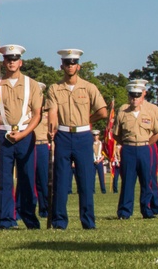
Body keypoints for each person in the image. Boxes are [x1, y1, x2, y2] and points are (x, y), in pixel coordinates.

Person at [46, 48, 108, 230]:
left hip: (83, 135)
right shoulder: (55, 88)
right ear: (62, 66)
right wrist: (52, 129)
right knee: (61, 181)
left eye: (73, 63)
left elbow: (103, 111)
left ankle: (88, 222)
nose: (70, 66)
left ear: (78, 66)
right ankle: (59, 222)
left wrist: (88, 120)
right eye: (67, 63)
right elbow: (52, 111)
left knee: (86, 181)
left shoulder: (89, 87)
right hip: (63, 135)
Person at [0, 44, 42, 230]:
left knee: (27, 179)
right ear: (3, 62)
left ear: (20, 62)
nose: (11, 62)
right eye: (8, 59)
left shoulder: (32, 84)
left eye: (15, 59)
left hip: (25, 135)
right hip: (3, 134)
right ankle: (5, 219)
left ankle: (30, 218)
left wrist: (23, 134)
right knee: (4, 180)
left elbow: (37, 114)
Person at [114, 82, 158, 219]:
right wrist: (126, 144)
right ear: (129, 97)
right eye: (132, 96)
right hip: (128, 148)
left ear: (142, 97)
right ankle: (124, 212)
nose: (135, 99)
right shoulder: (122, 113)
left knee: (146, 181)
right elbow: (116, 134)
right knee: (128, 181)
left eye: (137, 96)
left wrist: (147, 143)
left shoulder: (149, 113)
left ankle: (147, 210)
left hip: (144, 148)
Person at [130, 79, 158, 215]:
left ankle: (155, 205)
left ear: (145, 92)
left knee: (151, 176)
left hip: (149, 144)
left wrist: (149, 142)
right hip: (133, 145)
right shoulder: (128, 108)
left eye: (140, 91)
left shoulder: (152, 108)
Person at [33, 82, 51, 219]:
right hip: (28, 145)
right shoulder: (28, 110)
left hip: (42, 145)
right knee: (26, 179)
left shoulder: (47, 112)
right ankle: (23, 208)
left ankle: (45, 208)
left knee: (43, 179)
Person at [92, 130, 107, 194]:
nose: (95, 137)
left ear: (98, 136)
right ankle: (92, 190)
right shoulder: (90, 143)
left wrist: (100, 160)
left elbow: (104, 154)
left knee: (101, 176)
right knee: (92, 177)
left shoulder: (101, 143)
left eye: (96, 135)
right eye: (94, 135)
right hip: (92, 162)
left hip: (100, 161)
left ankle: (103, 190)